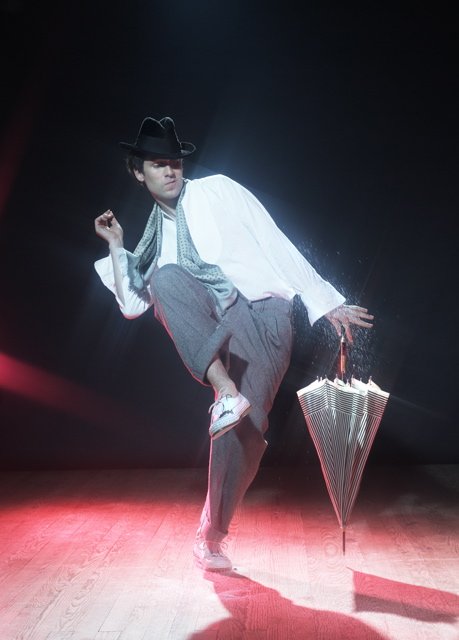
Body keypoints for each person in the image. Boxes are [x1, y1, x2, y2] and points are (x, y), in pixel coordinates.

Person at [94, 116, 373, 571]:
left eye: (174, 162)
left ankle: (212, 527)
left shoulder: (218, 189)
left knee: (248, 429)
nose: (170, 171)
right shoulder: (153, 242)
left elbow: (273, 239)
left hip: (266, 315)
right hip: (221, 321)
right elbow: (133, 305)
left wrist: (325, 302)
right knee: (164, 280)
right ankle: (225, 393)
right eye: (158, 164)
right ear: (138, 172)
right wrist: (116, 244)